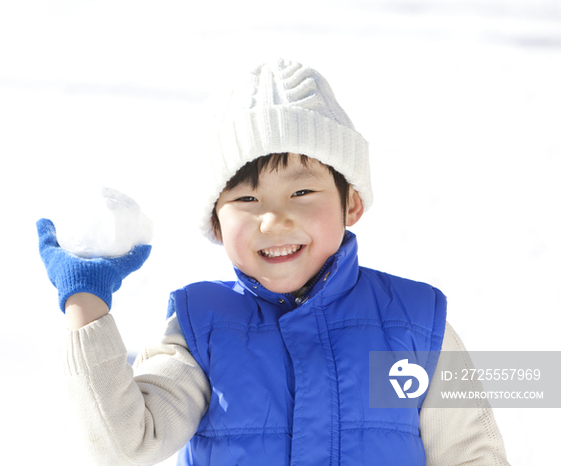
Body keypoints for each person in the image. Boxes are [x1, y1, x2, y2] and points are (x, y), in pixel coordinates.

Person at [37, 58, 509, 465]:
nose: (273, 219)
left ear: (352, 205)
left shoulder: (414, 325)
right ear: (216, 225)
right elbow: (125, 444)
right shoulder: (199, 332)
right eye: (246, 198)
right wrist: (85, 303)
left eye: (302, 191)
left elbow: (470, 454)